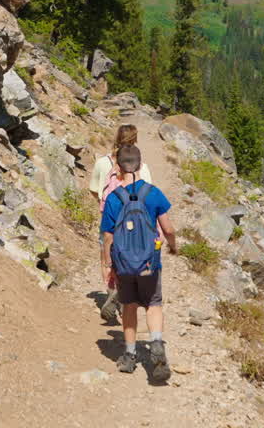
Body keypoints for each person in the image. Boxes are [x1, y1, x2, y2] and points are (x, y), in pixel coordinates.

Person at [101, 145, 177, 382]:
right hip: (149, 263)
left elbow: (108, 237)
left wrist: (108, 264)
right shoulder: (153, 193)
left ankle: (130, 355)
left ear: (118, 166)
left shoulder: (113, 198)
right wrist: (174, 246)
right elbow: (168, 229)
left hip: (124, 264)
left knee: (129, 306)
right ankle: (156, 342)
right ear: (141, 164)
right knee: (153, 304)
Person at [91, 125, 152, 322]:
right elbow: (148, 194)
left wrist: (106, 205)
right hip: (133, 221)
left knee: (107, 258)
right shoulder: (141, 167)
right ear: (135, 140)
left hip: (109, 219)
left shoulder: (102, 163)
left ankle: (111, 293)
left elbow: (93, 190)